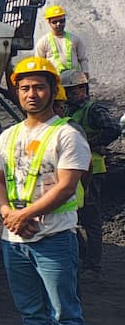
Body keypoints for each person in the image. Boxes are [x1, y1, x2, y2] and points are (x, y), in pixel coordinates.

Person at [0, 56, 90, 325]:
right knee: (31, 310)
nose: (31, 94)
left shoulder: (67, 134)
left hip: (54, 237)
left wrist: (25, 215)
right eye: (25, 88)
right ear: (16, 92)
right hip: (14, 238)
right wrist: (7, 213)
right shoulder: (9, 135)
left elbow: (66, 186)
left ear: (52, 90)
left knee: (65, 312)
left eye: (39, 87)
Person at [61, 69, 121, 280]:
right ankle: (84, 256)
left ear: (83, 89)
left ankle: (93, 265)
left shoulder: (92, 109)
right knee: (71, 215)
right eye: (68, 91)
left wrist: (90, 144)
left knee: (90, 218)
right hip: (74, 168)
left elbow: (113, 128)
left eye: (74, 90)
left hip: (93, 170)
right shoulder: (68, 110)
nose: (70, 94)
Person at [34, 4, 89, 75]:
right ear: (49, 22)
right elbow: (39, 63)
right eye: (54, 22)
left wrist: (85, 72)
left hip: (74, 78)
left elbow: (83, 59)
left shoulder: (75, 39)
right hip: (54, 79)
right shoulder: (43, 42)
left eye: (61, 21)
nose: (58, 24)